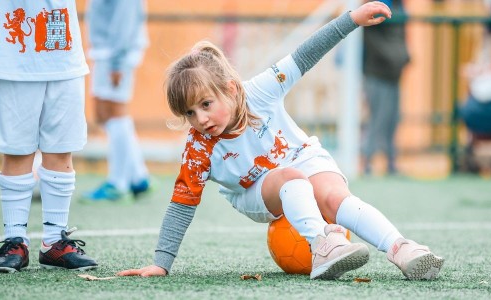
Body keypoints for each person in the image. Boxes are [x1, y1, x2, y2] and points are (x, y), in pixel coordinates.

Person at [117, 2, 444, 281]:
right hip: (254, 192)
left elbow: (305, 54)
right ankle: (323, 246)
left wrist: (351, 20)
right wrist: (161, 263)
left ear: (231, 90)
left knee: (334, 197)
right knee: (289, 178)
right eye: (189, 113)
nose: (200, 119)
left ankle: (400, 248)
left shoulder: (260, 90)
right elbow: (181, 205)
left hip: (302, 156)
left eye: (205, 104)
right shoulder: (199, 148)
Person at [0, 0, 97, 272]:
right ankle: (15, 239)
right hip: (12, 61)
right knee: (17, 151)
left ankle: (54, 241)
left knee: (61, 149)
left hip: (63, 55)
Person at [80, 0, 152, 202]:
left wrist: (117, 63)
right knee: (107, 114)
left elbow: (125, 19)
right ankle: (138, 176)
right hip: (109, 53)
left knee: (113, 112)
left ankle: (118, 183)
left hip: (114, 54)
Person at [361, 0, 410, 176]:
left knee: (392, 119)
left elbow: (401, 37)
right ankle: (367, 163)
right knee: (376, 119)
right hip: (376, 73)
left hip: (394, 73)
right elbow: (371, 39)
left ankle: (391, 164)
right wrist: (395, 57)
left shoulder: (400, 6)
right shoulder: (375, 6)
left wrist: (404, 57)